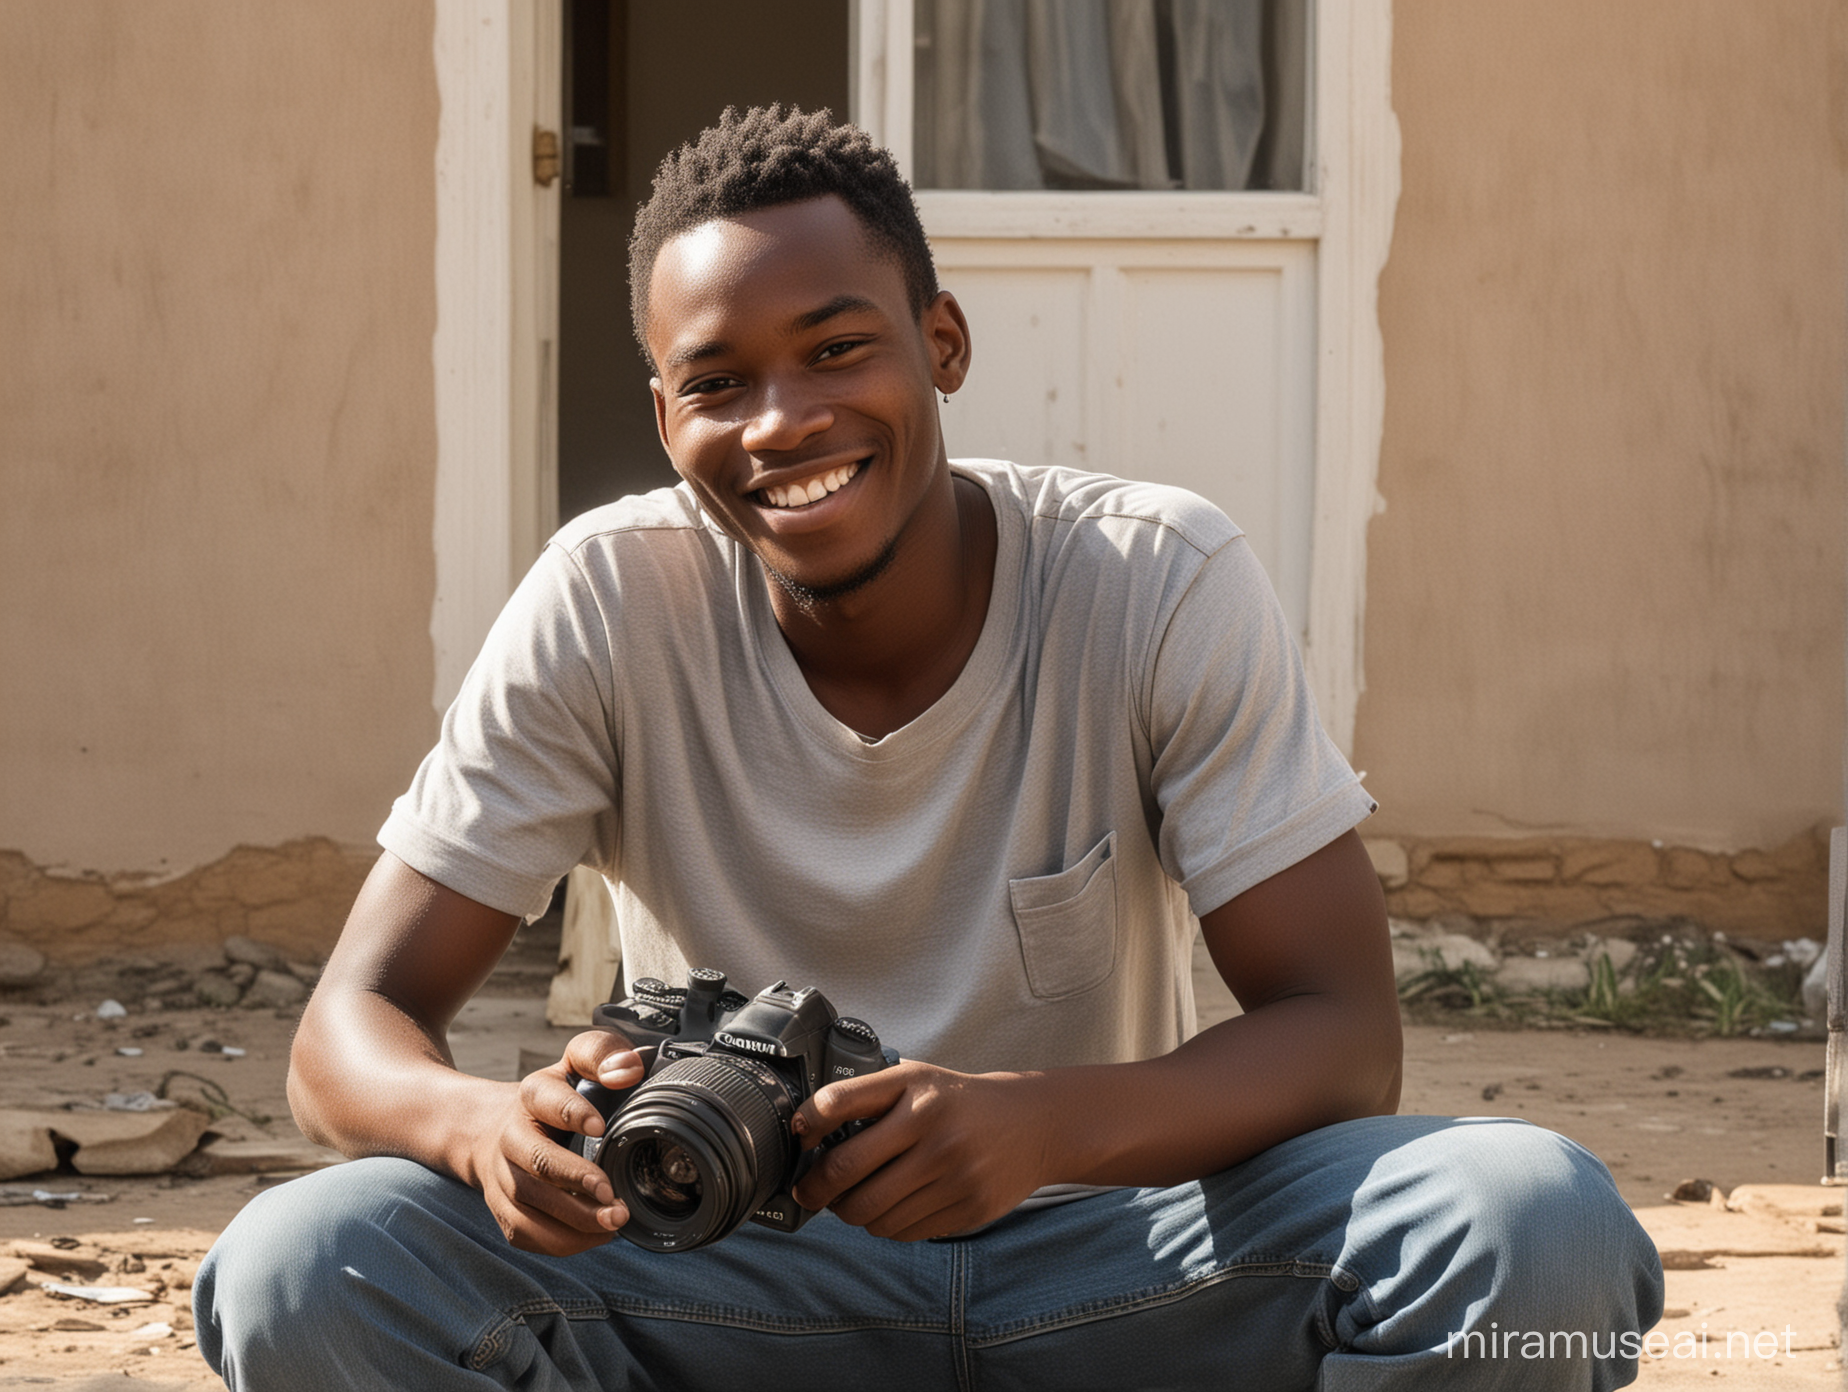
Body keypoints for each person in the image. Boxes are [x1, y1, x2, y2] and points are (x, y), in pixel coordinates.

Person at [196, 106, 1662, 1389]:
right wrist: (481, 1125)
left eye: (838, 348)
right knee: (310, 1262)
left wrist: (1038, 1129)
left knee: (1529, 1224)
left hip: (1107, 1250)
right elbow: (346, 1034)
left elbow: (1345, 1032)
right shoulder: (608, 598)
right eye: (718, 383)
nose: (784, 420)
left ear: (940, 344)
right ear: (664, 417)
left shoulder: (1152, 577)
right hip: (729, 1267)